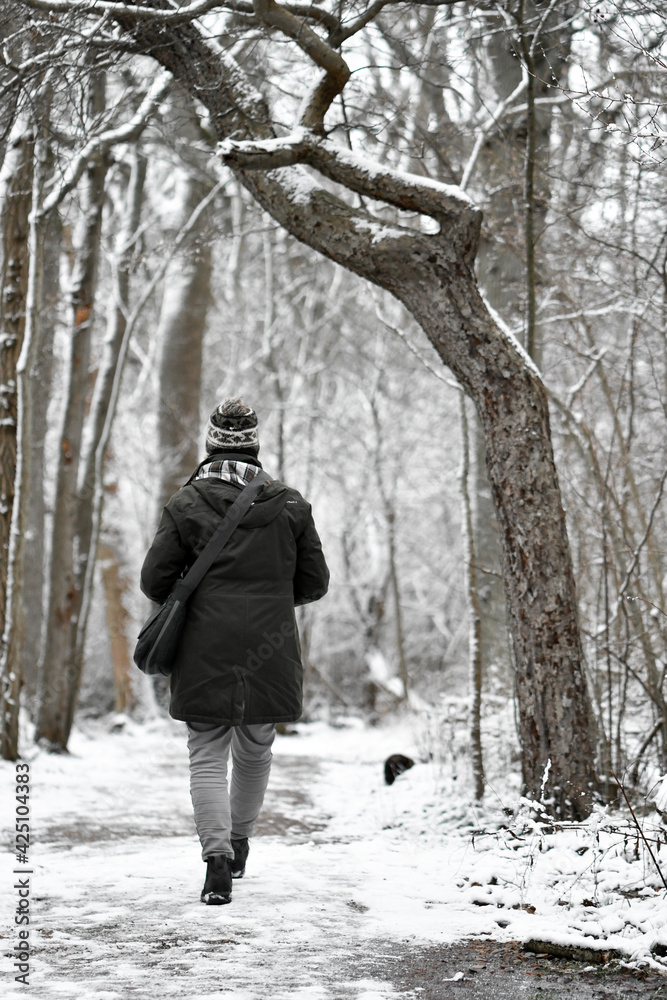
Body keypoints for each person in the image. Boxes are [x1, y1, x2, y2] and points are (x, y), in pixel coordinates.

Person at [140, 398, 329, 904]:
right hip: (270, 646)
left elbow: (153, 580)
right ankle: (240, 843)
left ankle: (216, 863)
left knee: (206, 753)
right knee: (255, 749)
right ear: (256, 446)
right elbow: (315, 583)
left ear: (210, 446)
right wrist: (268, 596)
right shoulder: (291, 505)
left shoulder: (186, 503)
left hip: (204, 643)